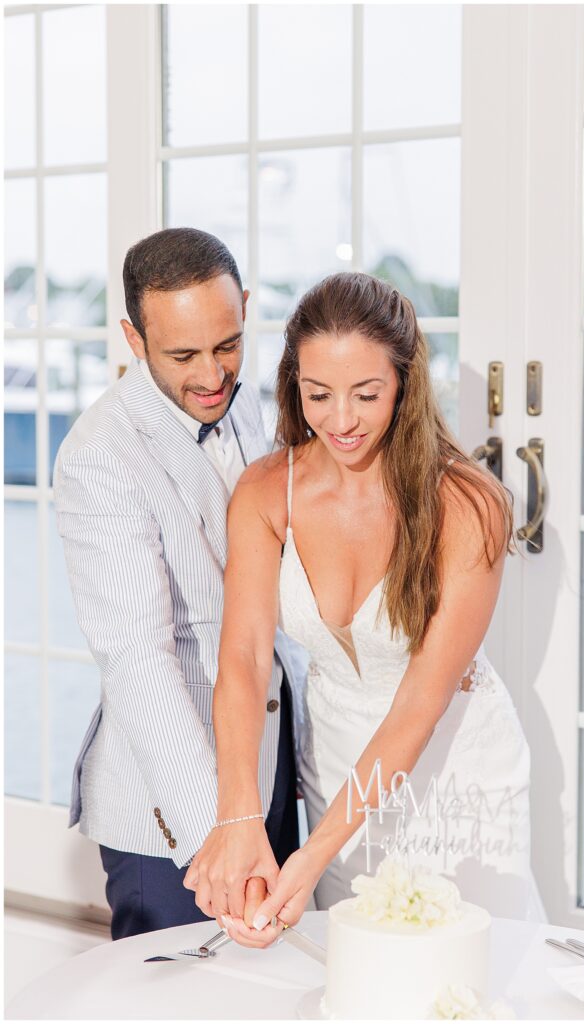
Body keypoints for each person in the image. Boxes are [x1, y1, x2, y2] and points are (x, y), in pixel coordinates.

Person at [184, 271, 542, 947]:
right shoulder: (266, 492)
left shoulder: (466, 505)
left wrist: (309, 855)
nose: (341, 420)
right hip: (338, 766)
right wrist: (241, 820)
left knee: (467, 972)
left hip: (455, 772)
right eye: (318, 394)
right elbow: (242, 657)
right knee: (353, 971)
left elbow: (418, 706)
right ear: (295, 384)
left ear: (404, 384)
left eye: (366, 394)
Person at [54, 227, 300, 939]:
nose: (213, 376)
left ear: (245, 309)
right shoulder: (99, 456)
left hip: (269, 766)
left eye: (227, 345)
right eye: (183, 355)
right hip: (173, 816)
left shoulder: (250, 402)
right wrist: (220, 825)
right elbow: (138, 662)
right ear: (134, 338)